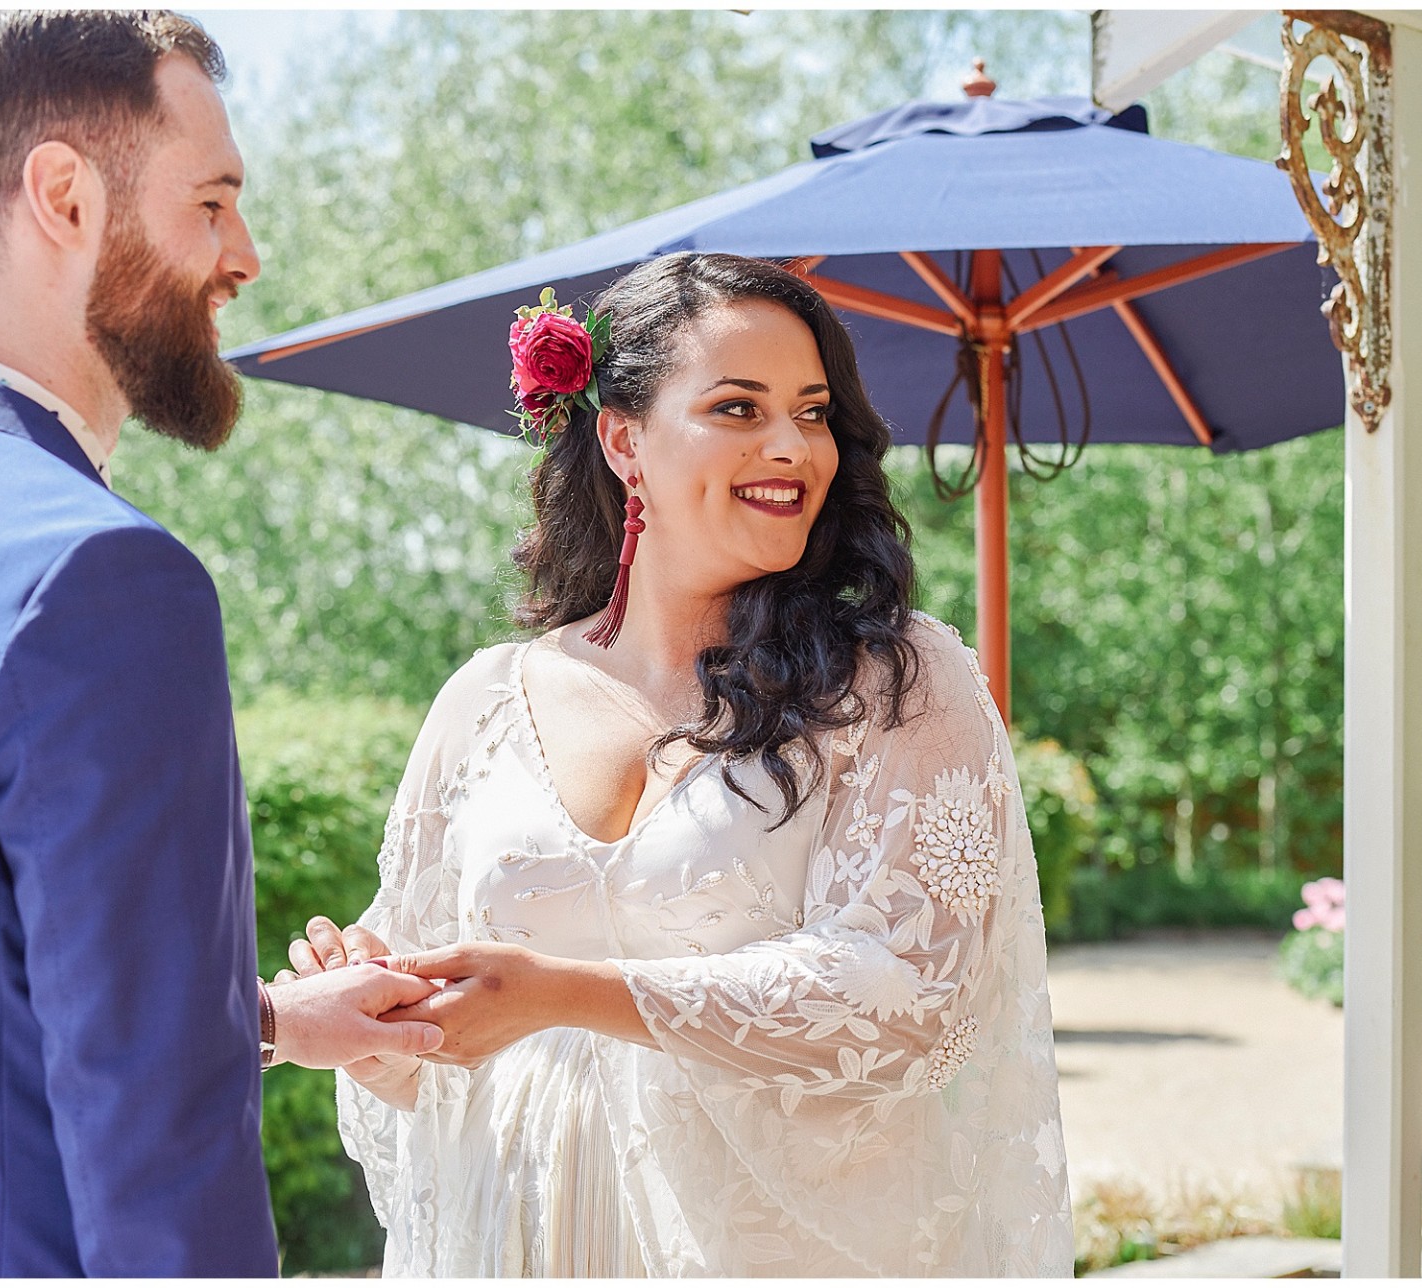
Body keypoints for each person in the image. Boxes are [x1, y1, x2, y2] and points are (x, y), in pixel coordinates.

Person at [0, 11, 439, 1276]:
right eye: (211, 202)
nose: (243, 254)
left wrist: (248, 1019)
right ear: (65, 197)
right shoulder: (104, 579)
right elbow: (159, 1171)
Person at [286, 253, 1074, 1275]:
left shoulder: (897, 679)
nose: (793, 445)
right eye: (739, 408)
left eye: (813, 411)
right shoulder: (479, 700)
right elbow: (427, 1065)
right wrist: (382, 1019)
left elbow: (907, 995)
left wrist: (564, 989)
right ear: (622, 440)